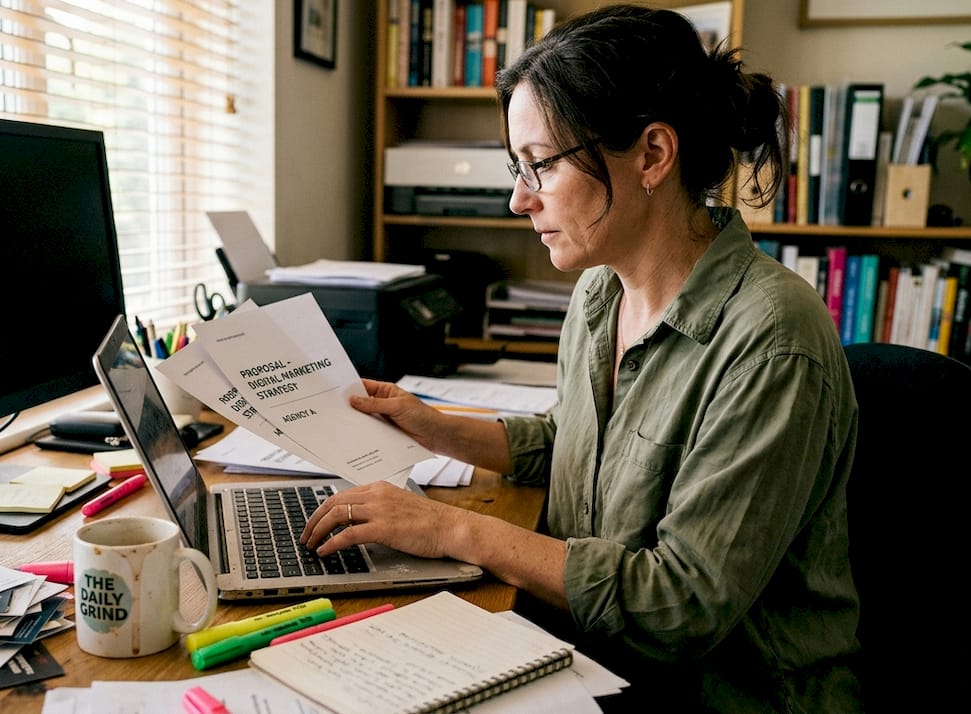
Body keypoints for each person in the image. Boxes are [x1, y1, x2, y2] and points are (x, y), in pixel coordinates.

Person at [301, 4, 861, 711]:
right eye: (518, 166)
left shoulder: (773, 342)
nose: (517, 199)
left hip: (721, 695)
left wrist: (453, 528)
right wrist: (434, 426)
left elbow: (681, 604)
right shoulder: (602, 291)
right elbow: (572, 443)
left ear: (653, 156)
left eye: (539, 165)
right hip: (585, 654)